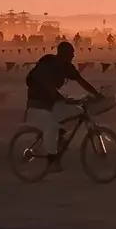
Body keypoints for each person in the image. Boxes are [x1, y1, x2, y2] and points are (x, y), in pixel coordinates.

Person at [25, 40, 103, 172]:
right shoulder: (48, 64)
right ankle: (51, 160)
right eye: (71, 53)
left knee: (76, 111)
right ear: (63, 54)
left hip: (52, 102)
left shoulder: (67, 66)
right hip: (38, 102)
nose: (73, 56)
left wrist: (97, 94)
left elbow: (81, 81)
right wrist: (64, 99)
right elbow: (48, 86)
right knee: (52, 125)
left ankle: (59, 136)